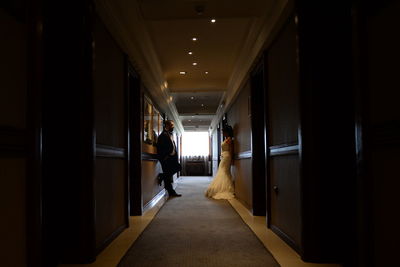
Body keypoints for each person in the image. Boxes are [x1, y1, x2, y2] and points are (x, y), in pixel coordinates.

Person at [205, 125, 235, 199]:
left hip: (227, 157)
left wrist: (232, 159)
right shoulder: (226, 139)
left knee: (224, 171)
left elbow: (231, 150)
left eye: (223, 131)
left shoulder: (229, 139)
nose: (222, 133)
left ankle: (224, 188)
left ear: (227, 132)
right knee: (223, 171)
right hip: (224, 157)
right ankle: (223, 187)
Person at [156, 120, 182, 197]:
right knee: (168, 176)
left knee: (178, 167)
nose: (173, 127)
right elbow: (160, 147)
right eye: (172, 125)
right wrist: (165, 157)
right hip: (166, 158)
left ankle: (162, 176)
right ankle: (171, 192)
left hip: (171, 158)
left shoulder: (170, 134)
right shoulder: (163, 135)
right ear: (167, 125)